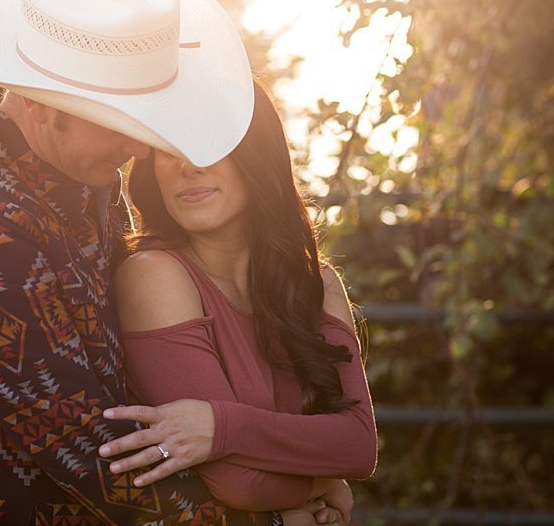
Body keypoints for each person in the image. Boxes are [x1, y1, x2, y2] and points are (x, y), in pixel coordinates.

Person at [0, 0, 339, 524]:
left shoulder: (84, 178)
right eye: (117, 123)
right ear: (40, 104)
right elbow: (82, 442)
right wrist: (264, 515)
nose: (138, 146)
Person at [103, 82, 377, 520]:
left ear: (256, 155)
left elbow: (358, 446)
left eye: (210, 144)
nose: (188, 166)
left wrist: (217, 426)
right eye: (169, 147)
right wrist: (326, 478)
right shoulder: (153, 276)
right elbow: (239, 483)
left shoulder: (317, 283)